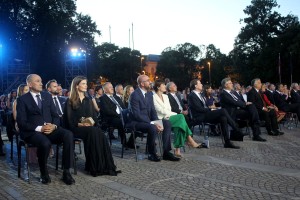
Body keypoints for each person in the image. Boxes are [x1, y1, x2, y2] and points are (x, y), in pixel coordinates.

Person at [17, 74, 75, 185]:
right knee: (45, 142)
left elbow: (55, 115)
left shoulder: (46, 96)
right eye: (38, 81)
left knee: (68, 134)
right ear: (29, 84)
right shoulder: (22, 100)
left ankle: (66, 171)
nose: (41, 83)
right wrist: (40, 128)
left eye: (41, 81)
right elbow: (21, 122)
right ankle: (44, 172)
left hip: (50, 129)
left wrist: (54, 126)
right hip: (33, 132)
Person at [63, 76, 120, 177]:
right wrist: (80, 124)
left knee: (100, 133)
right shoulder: (70, 101)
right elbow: (68, 120)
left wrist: (93, 123)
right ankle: (93, 166)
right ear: (76, 86)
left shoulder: (87, 100)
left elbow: (93, 117)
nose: (86, 86)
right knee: (92, 131)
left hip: (88, 127)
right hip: (74, 128)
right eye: (83, 84)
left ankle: (104, 166)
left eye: (86, 83)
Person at [128, 75, 180, 162]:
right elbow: (137, 115)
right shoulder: (134, 95)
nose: (150, 82)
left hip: (148, 121)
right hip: (136, 122)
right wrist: (152, 123)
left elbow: (153, 111)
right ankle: (151, 153)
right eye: (148, 80)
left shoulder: (149, 94)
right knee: (152, 127)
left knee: (167, 123)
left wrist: (158, 122)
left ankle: (166, 152)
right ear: (142, 84)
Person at [153, 80, 202, 157]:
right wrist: (176, 114)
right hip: (159, 119)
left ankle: (180, 148)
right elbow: (160, 110)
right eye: (163, 85)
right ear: (158, 87)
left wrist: (173, 114)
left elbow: (168, 109)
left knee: (179, 125)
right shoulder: (153, 97)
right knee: (181, 118)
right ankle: (187, 141)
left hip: (169, 117)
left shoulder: (165, 96)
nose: (165, 86)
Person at [188, 79, 242, 149]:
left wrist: (213, 107)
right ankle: (236, 129)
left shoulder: (200, 94)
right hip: (199, 116)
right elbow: (198, 109)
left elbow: (206, 106)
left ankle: (227, 142)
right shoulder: (192, 95)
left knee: (223, 118)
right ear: (196, 86)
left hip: (206, 114)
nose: (201, 85)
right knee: (223, 111)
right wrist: (211, 109)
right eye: (200, 83)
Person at [219, 78, 266, 142]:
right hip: (231, 112)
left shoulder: (233, 92)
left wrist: (245, 104)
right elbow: (234, 102)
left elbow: (239, 100)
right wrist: (244, 104)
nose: (232, 84)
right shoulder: (223, 94)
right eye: (230, 83)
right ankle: (256, 129)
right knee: (252, 113)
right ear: (225, 85)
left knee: (251, 107)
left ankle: (256, 133)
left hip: (239, 109)